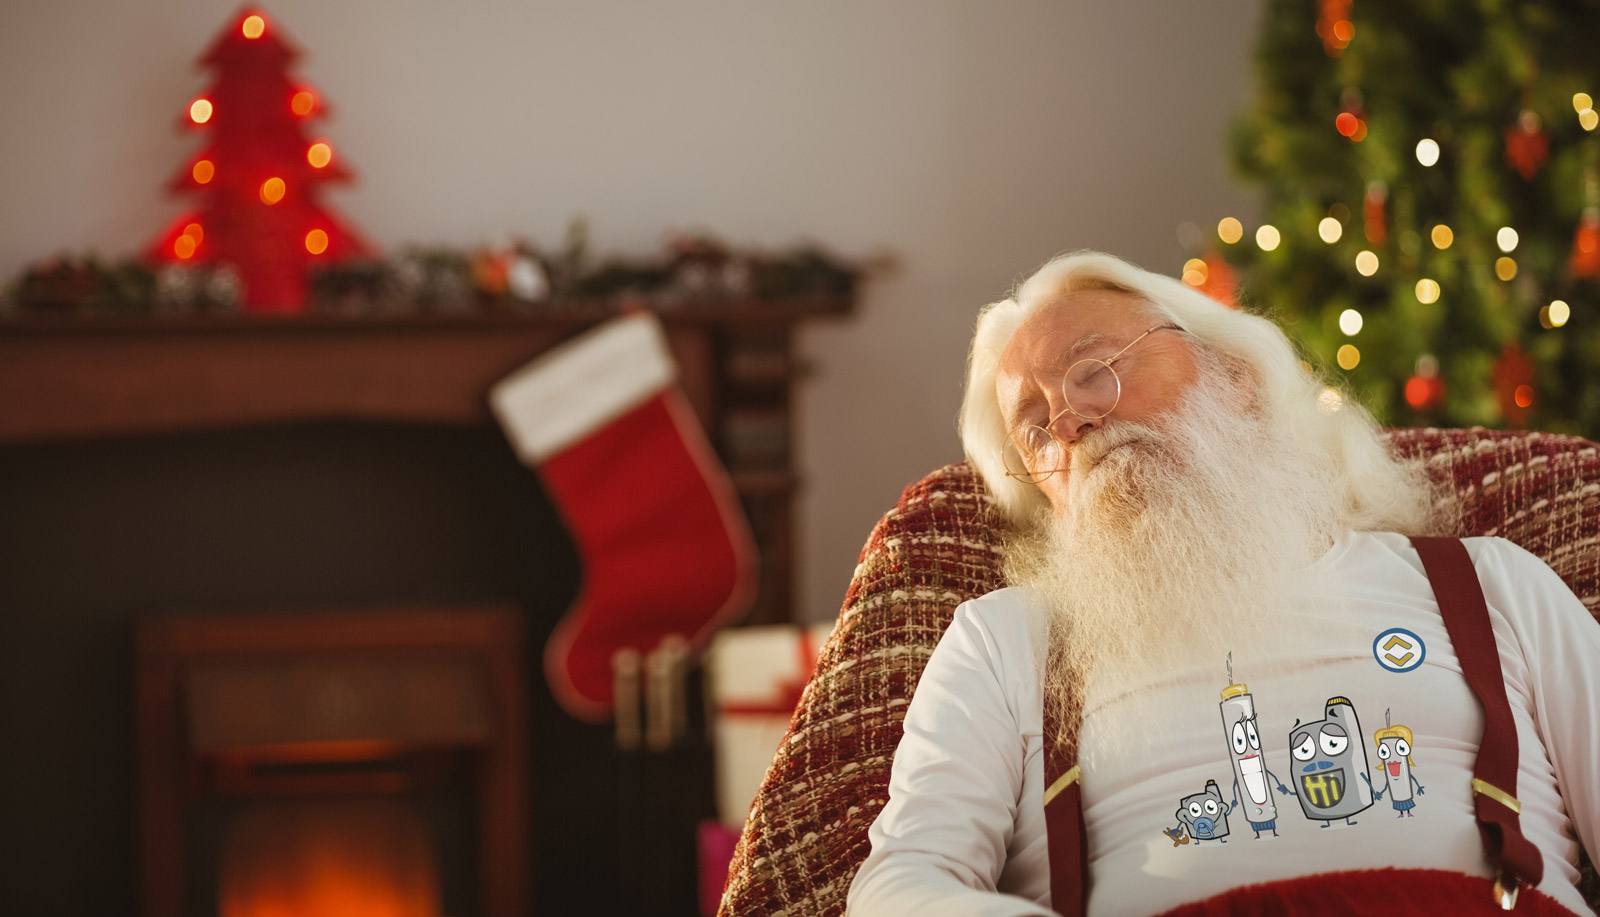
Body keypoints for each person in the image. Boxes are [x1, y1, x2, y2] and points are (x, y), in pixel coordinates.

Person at [845, 251, 1600, 916]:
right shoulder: (1004, 641)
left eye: (1096, 368)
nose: (1070, 421)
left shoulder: (1488, 582)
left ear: (1235, 374)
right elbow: (898, 886)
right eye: (1035, 428)